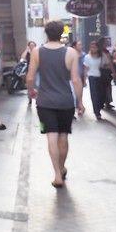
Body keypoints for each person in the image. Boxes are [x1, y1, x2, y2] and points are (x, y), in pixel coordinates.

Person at [27, 21, 85, 188]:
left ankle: (57, 174)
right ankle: (62, 167)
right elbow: (76, 79)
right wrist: (79, 102)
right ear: (61, 34)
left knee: (51, 136)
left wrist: (31, 91)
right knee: (63, 136)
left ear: (46, 33)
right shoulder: (71, 52)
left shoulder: (37, 52)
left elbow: (30, 78)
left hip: (44, 103)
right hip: (66, 102)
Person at [83, 41, 105, 120]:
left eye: (95, 47)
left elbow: (105, 65)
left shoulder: (101, 56)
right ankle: (97, 112)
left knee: (101, 95)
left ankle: (99, 108)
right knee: (94, 95)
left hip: (100, 77)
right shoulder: (87, 57)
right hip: (92, 77)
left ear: (98, 48)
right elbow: (85, 69)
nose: (93, 49)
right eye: (92, 47)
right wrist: (84, 80)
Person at [98, 40, 115, 110]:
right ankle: (106, 102)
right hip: (104, 72)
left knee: (105, 88)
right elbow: (109, 63)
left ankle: (105, 102)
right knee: (105, 88)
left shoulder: (103, 51)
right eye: (105, 43)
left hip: (103, 72)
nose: (106, 44)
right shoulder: (103, 52)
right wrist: (112, 70)